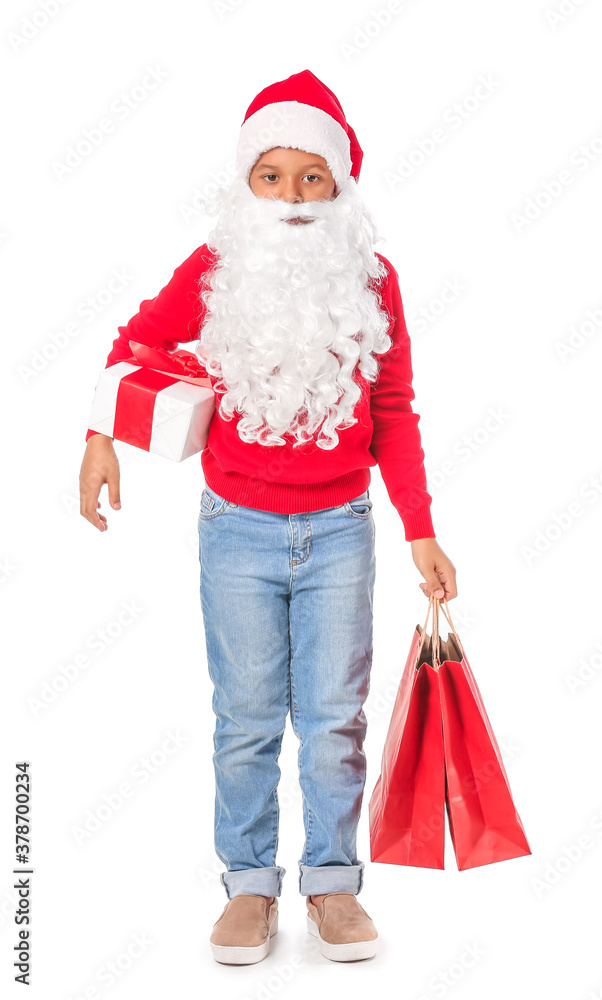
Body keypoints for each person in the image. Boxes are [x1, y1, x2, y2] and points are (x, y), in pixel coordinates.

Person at [79, 69, 457, 965]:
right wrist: (101, 435)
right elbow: (137, 339)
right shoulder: (215, 267)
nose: (292, 197)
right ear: (247, 185)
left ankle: (331, 884)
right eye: (272, 177)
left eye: (312, 178)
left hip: (340, 533)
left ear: (340, 186)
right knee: (246, 715)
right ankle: (249, 886)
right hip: (236, 530)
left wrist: (420, 527)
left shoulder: (374, 279)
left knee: (334, 716)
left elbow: (394, 408)